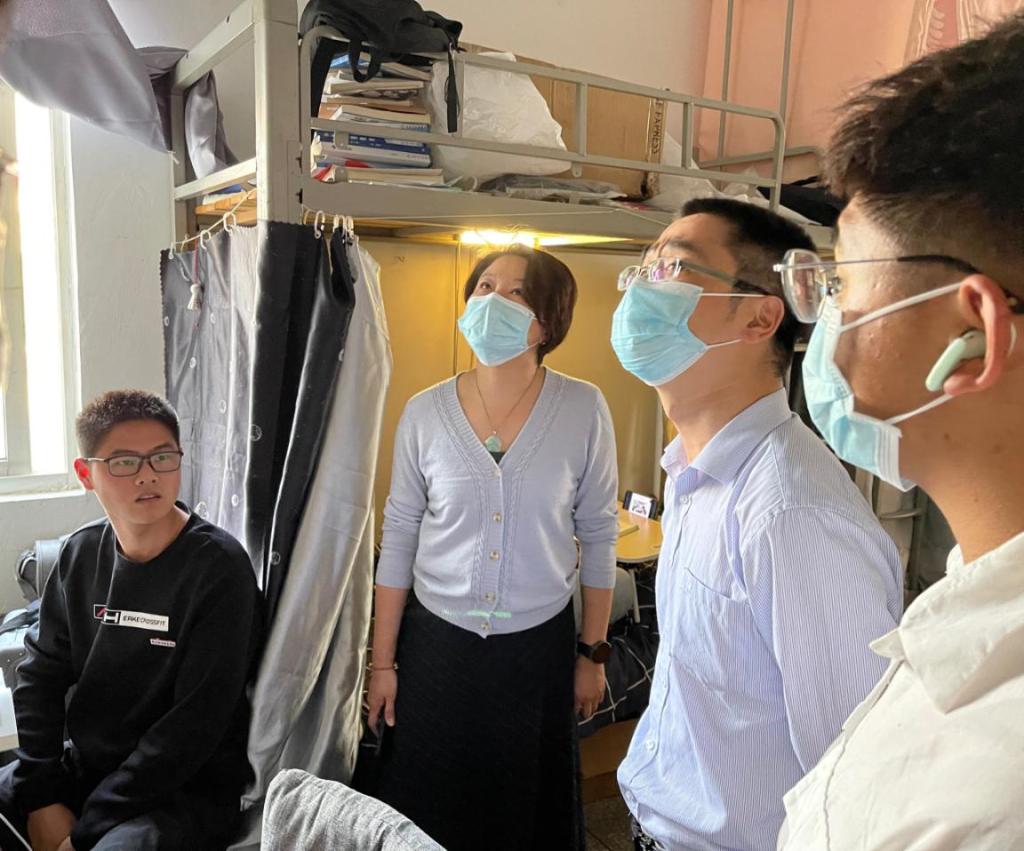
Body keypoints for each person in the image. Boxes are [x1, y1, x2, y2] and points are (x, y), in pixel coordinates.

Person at [776, 13, 1024, 849]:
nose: (827, 316)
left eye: (844, 280)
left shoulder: (986, 798)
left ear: (974, 334)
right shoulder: (978, 602)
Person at [611, 198, 903, 851]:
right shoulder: (692, 471)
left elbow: (854, 773)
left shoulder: (792, 514)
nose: (641, 289)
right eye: (643, 269)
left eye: (673, 268)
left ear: (760, 317)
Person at [366, 246, 619, 850]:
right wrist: (382, 664)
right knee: (430, 804)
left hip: (537, 648)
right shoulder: (425, 412)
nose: (493, 301)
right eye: (484, 287)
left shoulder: (583, 408)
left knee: (522, 810)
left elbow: (599, 532)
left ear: (548, 322)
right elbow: (399, 537)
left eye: (516, 292)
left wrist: (592, 654)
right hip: (437, 643)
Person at [0, 390, 264, 851]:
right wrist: (41, 797)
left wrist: (82, 833)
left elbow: (194, 726)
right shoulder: (79, 554)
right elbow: (40, 677)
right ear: (86, 473)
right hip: (90, 765)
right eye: (124, 462)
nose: (147, 475)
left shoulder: (219, 569)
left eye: (162, 457)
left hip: (182, 787)